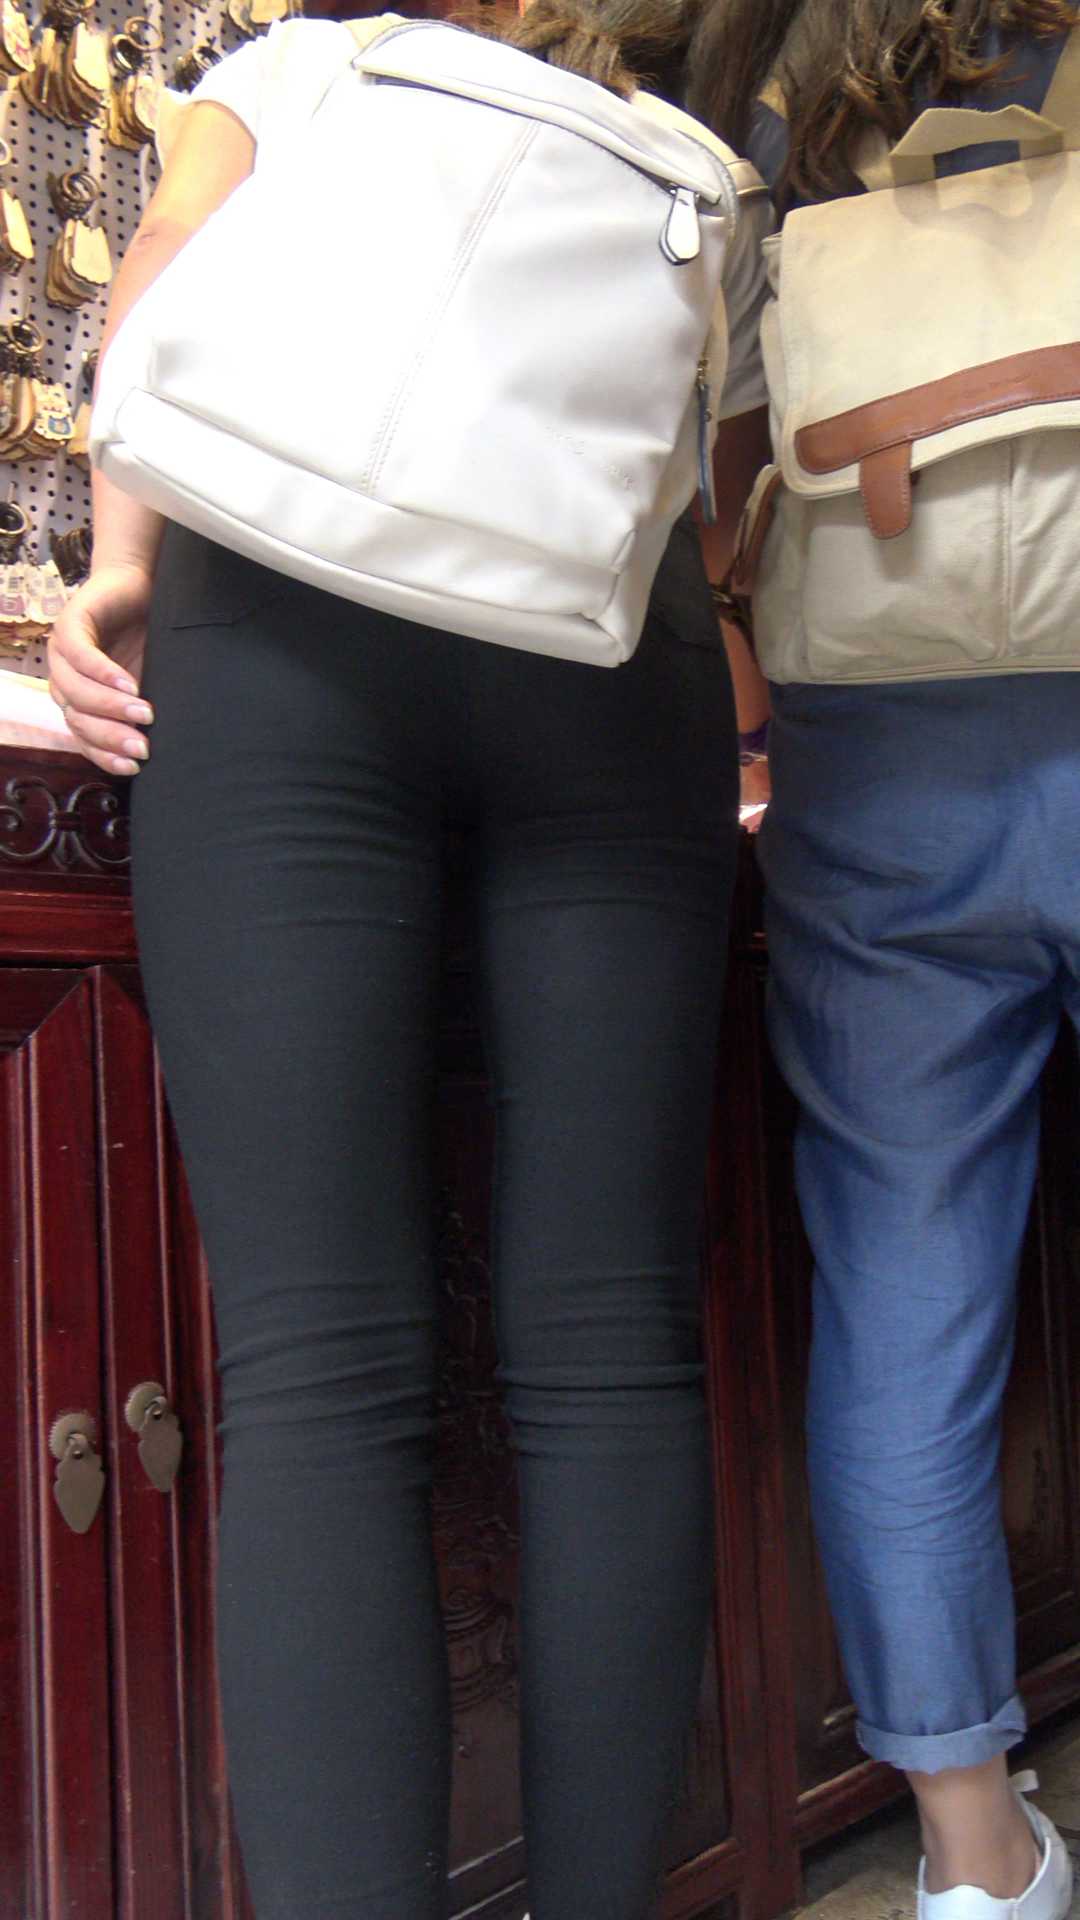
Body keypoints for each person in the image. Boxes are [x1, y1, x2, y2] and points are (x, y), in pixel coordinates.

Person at [47, 5, 772, 1915]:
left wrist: (117, 572)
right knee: (610, 1356)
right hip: (611, 667)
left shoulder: (302, 70)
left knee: (319, 1374)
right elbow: (702, 487)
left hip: (291, 637)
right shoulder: (675, 167)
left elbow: (155, 295)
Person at [695, 3, 1080, 1917]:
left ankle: (974, 1860)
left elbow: (709, 454)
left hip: (877, 750)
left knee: (906, 1299)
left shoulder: (774, 94)